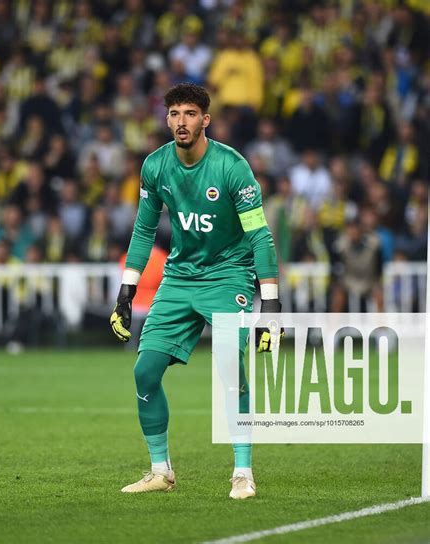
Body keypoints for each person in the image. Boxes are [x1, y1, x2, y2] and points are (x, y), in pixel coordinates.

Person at [109, 83, 281, 499]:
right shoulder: (155, 166)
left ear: (205, 120)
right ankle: (160, 471)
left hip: (228, 276)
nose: (181, 121)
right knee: (144, 371)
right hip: (179, 277)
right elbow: (144, 229)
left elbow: (259, 235)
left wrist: (271, 303)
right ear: (166, 119)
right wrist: (126, 292)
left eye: (189, 114)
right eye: (174, 114)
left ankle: (242, 471)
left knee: (227, 361)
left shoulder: (233, 167)